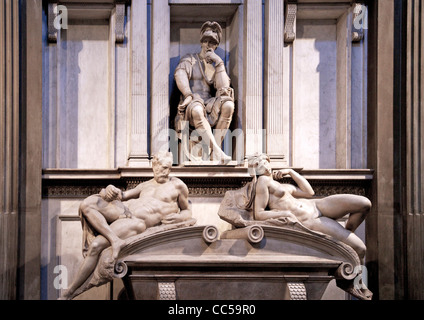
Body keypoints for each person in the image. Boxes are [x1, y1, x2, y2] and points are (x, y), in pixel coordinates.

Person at [60, 151, 192, 300]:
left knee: (96, 246)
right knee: (87, 204)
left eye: (167, 168)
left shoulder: (178, 185)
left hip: (136, 222)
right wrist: (110, 189)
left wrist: (179, 217)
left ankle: (69, 292)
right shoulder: (146, 185)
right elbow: (122, 196)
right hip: (124, 210)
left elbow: (187, 211)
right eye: (161, 168)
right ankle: (114, 240)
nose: (164, 172)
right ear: (153, 166)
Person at [247, 153, 371, 263]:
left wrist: (290, 172)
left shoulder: (281, 185)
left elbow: (309, 192)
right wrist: (284, 214)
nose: (265, 165)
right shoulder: (262, 181)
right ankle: (358, 284)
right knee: (360, 249)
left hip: (317, 205)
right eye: (261, 163)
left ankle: (347, 232)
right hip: (310, 220)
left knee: (364, 203)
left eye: (266, 161)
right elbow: (259, 213)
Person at [174, 21, 234, 163]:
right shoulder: (190, 59)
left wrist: (219, 63)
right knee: (196, 109)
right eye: (206, 41)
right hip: (193, 100)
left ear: (216, 46)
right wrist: (188, 94)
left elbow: (224, 89)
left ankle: (215, 153)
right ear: (201, 42)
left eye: (212, 43)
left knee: (229, 105)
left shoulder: (215, 65)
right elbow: (179, 74)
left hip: (209, 103)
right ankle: (218, 152)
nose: (208, 45)